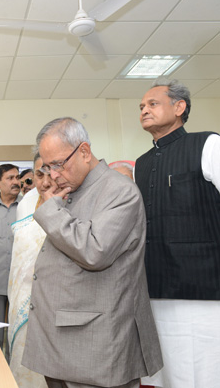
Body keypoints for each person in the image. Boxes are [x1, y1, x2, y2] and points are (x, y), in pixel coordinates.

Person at [21, 117, 163, 388]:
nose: (52, 175)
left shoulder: (120, 191)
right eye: (47, 167)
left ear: (84, 151)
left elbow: (93, 252)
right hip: (59, 340)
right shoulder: (73, 189)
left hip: (95, 344)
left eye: (58, 165)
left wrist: (52, 211)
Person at [136, 79, 220, 388]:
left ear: (179, 107)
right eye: (141, 107)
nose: (144, 110)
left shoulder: (208, 144)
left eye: (152, 104)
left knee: (205, 370)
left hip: (204, 289)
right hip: (155, 287)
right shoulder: (141, 165)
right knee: (165, 372)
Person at [8, 153, 50, 388]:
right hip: (21, 294)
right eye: (38, 173)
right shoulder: (26, 202)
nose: (44, 180)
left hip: (51, 297)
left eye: (49, 171)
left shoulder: (68, 198)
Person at [0, 163, 22, 356]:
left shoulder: (27, 207)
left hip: (21, 282)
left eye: (17, 177)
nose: (16, 182)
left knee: (17, 335)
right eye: (10, 178)